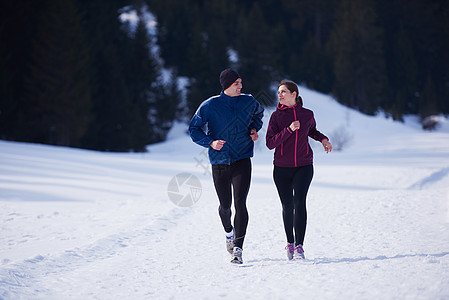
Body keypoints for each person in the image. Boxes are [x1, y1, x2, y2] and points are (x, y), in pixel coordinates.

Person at [189, 68, 264, 264]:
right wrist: (210, 142)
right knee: (225, 206)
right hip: (219, 162)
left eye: (241, 82)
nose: (241, 86)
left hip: (242, 159)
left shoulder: (248, 101)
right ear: (227, 85)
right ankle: (229, 233)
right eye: (237, 83)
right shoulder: (210, 105)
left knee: (241, 203)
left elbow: (259, 114)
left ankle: (238, 249)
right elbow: (194, 128)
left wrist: (254, 128)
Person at [266, 80, 332, 261]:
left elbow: (313, 131)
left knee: (299, 202)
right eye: (278, 92)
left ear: (294, 94)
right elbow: (270, 143)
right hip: (281, 169)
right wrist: (288, 129)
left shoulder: (307, 114)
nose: (279, 95)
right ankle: (290, 243)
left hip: (304, 166)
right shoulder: (276, 117)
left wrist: (323, 139)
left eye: (284, 92)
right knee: (287, 206)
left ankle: (300, 246)